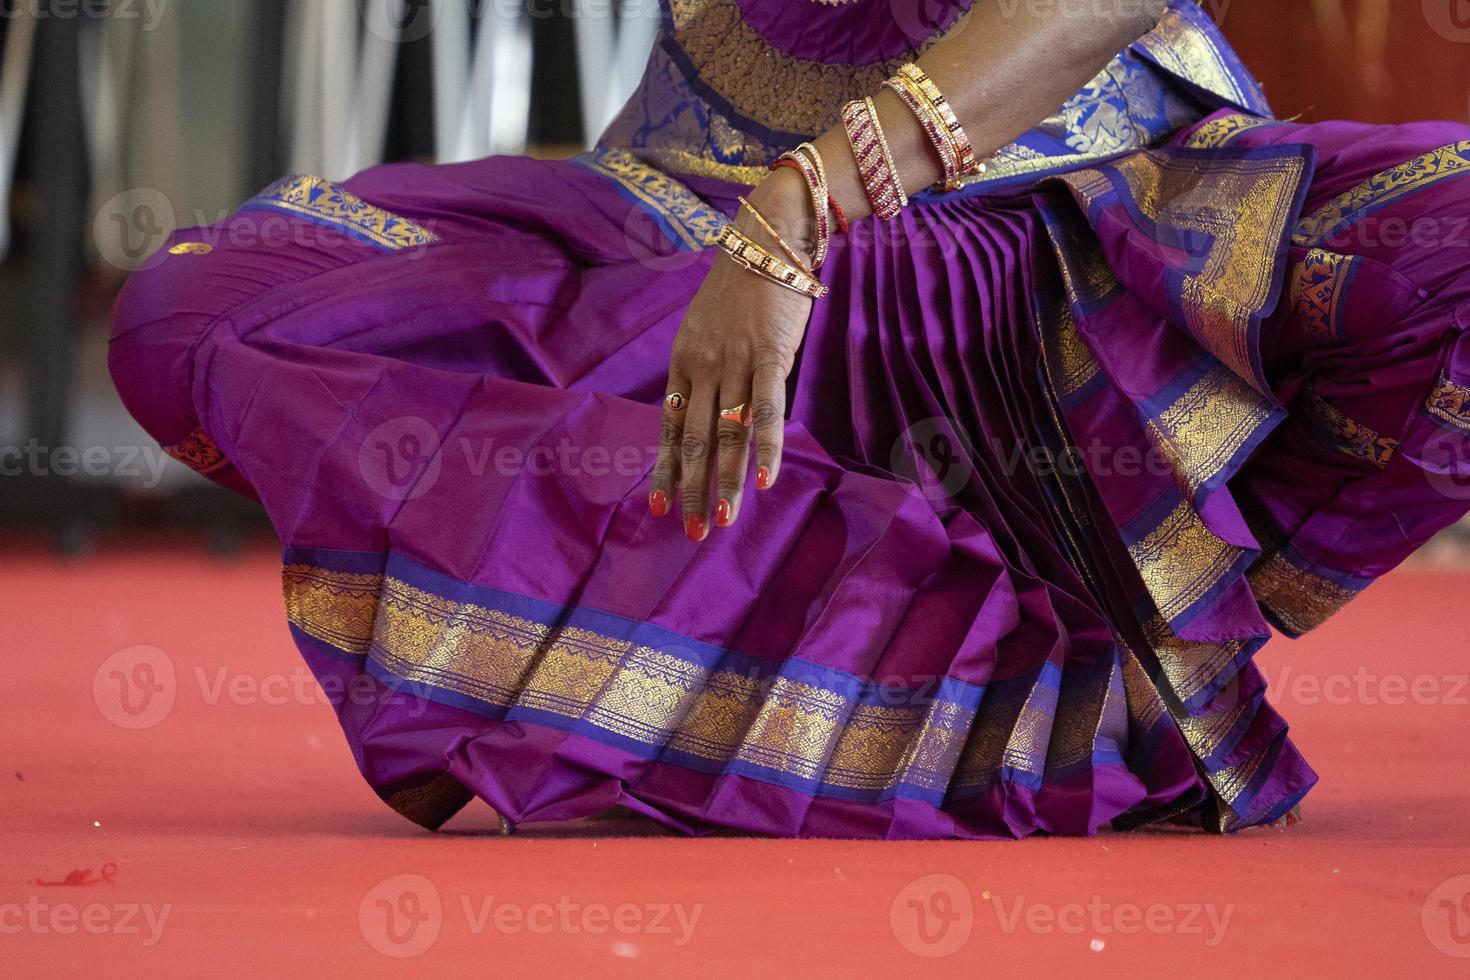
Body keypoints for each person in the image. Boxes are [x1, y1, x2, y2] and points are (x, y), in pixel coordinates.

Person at [109, 0, 1470, 839]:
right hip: (678, 217)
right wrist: (750, 233)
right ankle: (725, 676)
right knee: (193, 317)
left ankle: (1145, 639)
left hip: (1068, 249)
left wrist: (801, 212)